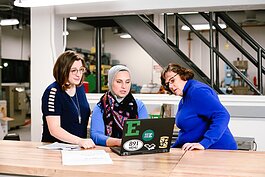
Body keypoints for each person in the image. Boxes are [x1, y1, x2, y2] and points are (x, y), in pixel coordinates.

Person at [161, 63, 237, 151]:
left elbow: (222, 115)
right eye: (167, 84)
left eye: (172, 80)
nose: (170, 86)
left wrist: (204, 143)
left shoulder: (197, 91)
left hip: (218, 151)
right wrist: (170, 149)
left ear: (182, 75)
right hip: (202, 153)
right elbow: (187, 132)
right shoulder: (185, 98)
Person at [41, 50, 95, 149]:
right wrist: (79, 141)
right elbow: (54, 129)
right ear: (63, 70)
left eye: (81, 70)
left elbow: (79, 112)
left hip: (77, 148)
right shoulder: (53, 92)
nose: (78, 74)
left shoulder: (80, 88)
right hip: (56, 148)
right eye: (74, 70)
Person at [90, 65, 149, 147]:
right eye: (119, 82)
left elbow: (146, 132)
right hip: (109, 153)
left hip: (135, 152)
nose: (124, 86)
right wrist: (119, 142)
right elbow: (96, 136)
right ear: (110, 82)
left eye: (127, 82)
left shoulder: (139, 106)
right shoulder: (101, 107)